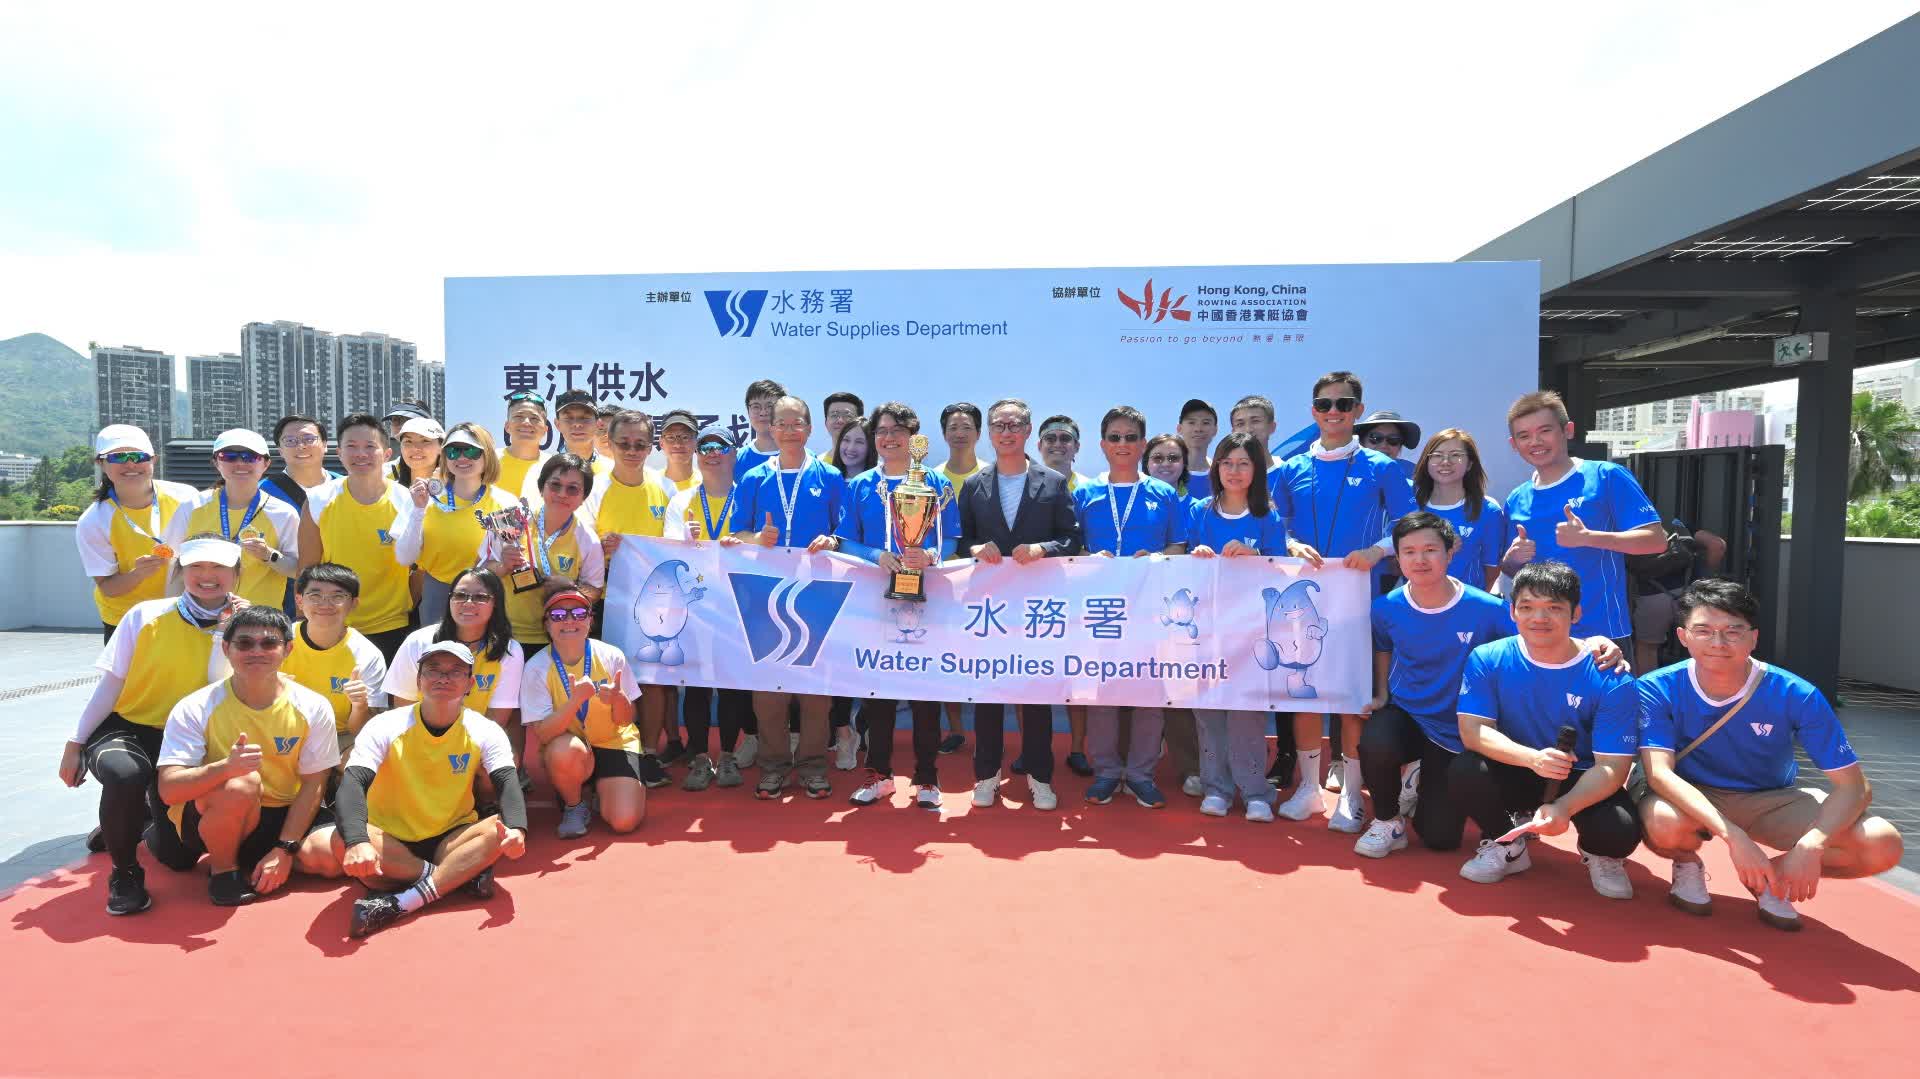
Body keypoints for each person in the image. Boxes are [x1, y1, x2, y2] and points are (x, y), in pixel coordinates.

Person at [1635, 578, 1903, 931]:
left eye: (1733, 631)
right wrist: (1734, 837)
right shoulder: (1656, 688)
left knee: (1881, 843)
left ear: (1754, 638)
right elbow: (1659, 774)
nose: (1718, 643)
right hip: (1694, 794)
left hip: (1770, 799)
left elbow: (1855, 787)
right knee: (1663, 823)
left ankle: (1771, 878)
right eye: (1704, 631)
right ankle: (1687, 864)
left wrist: (1811, 846)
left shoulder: (1796, 693)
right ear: (1683, 636)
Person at [1358, 515, 1631, 860]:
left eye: (1430, 550)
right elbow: (1383, 647)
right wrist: (1382, 694)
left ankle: (1424, 779)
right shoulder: (1385, 608)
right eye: (1409, 552)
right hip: (1411, 715)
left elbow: (1538, 627)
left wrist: (1595, 641)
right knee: (1377, 739)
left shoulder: (1486, 608)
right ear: (1397, 558)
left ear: (1450, 553)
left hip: (1458, 730)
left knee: (1439, 837)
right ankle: (1387, 821)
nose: (1420, 559)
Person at [58, 535, 240, 915]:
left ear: (237, 573)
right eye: (196, 566)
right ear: (181, 571)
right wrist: (75, 744)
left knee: (179, 859)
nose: (207, 575)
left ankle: (137, 821)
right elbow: (111, 685)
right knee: (125, 774)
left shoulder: (246, 623)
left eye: (219, 567)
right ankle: (125, 873)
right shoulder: (144, 615)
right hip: (129, 726)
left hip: (189, 742)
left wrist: (225, 631)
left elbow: (221, 686)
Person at [1270, 371, 1417, 829]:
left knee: (1353, 701)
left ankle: (1352, 796)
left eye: (1343, 403)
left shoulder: (1381, 467)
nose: (1333, 412)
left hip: (1359, 598)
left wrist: (1378, 550)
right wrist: (1291, 544)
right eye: (1324, 404)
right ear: (1313, 411)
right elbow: (1274, 525)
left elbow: (1409, 524)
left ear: (1357, 410)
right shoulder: (1291, 469)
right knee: (1304, 694)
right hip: (1302, 603)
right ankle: (1309, 789)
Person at [1451, 561, 1642, 899]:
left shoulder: (1611, 676)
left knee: (1620, 830)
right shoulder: (1487, 657)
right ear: (1513, 611)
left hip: (1580, 774)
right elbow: (1473, 730)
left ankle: (1600, 855)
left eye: (1553, 608)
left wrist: (1564, 807)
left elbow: (1613, 767)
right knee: (1465, 769)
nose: (1539, 618)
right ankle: (1506, 844)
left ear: (1576, 613)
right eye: (1527, 607)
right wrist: (1533, 759)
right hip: (1519, 764)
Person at [313, 640, 527, 938]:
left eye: (455, 671)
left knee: (500, 829)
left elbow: (507, 782)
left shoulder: (485, 729)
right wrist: (358, 842)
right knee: (342, 839)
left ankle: (402, 903)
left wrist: (517, 830)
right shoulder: (385, 725)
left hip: (451, 837)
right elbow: (352, 784)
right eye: (433, 670)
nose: (443, 678)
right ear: (418, 680)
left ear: (470, 684)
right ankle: (454, 877)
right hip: (389, 840)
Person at [818, 403, 959, 809]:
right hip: (872, 600)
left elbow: (952, 537)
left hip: (927, 600)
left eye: (898, 430)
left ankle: (927, 778)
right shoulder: (861, 484)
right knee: (876, 691)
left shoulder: (936, 482)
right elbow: (846, 539)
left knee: (925, 692)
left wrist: (930, 555)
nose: (889, 437)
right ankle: (878, 775)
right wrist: (875, 555)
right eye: (881, 431)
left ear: (914, 436)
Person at [149, 606, 338, 906]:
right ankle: (224, 870)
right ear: (226, 649)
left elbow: (314, 783)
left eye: (269, 643)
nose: (257, 652)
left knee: (331, 859)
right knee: (242, 783)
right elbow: (169, 790)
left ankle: (258, 857)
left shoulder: (313, 705)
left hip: (281, 812)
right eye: (245, 643)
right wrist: (226, 768)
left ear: (288, 649)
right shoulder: (196, 706)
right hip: (219, 809)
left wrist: (285, 849)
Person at [956, 398, 1082, 812]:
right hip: (989, 609)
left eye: (1014, 425)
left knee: (1036, 695)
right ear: (989, 433)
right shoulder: (974, 485)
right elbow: (961, 540)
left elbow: (1072, 539)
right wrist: (975, 548)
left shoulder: (1053, 482)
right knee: (988, 695)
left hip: (1036, 609)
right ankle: (986, 775)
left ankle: (1040, 777)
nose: (1006, 432)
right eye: (999, 425)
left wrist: (1043, 548)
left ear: (1028, 431)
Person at [725, 395, 847, 799]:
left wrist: (832, 540)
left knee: (815, 692)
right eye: (782, 423)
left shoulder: (830, 476)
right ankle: (774, 765)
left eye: (797, 423)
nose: (790, 430)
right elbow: (737, 533)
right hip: (766, 592)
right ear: (770, 429)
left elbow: (845, 532)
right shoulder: (753, 477)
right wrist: (757, 538)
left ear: (809, 429)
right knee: (768, 691)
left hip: (817, 591)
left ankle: (813, 766)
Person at [1075, 405, 1187, 809]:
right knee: (1103, 691)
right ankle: (1106, 771)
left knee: (1149, 692)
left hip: (1151, 608)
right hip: (1102, 608)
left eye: (1130, 438)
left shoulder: (1164, 493)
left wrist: (1157, 559)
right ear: (1103, 444)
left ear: (1142, 445)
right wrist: (1090, 558)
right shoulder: (1084, 493)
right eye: (1115, 438)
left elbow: (1179, 546)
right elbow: (1072, 551)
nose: (1122, 444)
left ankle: (1141, 774)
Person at [1499, 389, 1667, 655]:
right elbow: (1512, 570)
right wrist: (1511, 560)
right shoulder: (1516, 499)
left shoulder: (1606, 476)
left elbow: (1656, 541)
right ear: (1513, 444)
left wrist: (1589, 537)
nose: (1535, 441)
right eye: (1524, 436)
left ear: (1567, 430)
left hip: (1602, 633)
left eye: (1545, 431)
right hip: (1538, 635)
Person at [1186, 433, 1287, 820]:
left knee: (1247, 713)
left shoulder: (1267, 516)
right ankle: (1216, 788)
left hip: (1252, 633)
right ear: (1216, 468)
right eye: (1227, 463)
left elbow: (1281, 571)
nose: (1234, 471)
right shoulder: (1200, 511)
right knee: (1209, 711)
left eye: (1244, 463)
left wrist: (1255, 555)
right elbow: (1180, 567)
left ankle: (1255, 791)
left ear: (1256, 470)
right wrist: (1196, 556)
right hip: (1206, 631)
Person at [581, 410, 678, 780]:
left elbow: (675, 545)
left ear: (651, 447)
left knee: (652, 680)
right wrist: (600, 547)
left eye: (640, 444)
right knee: (608, 679)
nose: (632, 451)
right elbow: (581, 539)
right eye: (624, 443)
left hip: (655, 603)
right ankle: (608, 752)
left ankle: (648, 754)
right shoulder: (594, 487)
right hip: (607, 599)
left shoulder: (665, 487)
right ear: (609, 443)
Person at [663, 424, 758, 789]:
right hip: (695, 604)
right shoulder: (682, 500)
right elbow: (669, 549)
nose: (713, 452)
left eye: (722, 446)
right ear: (697, 454)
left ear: (735, 453)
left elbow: (763, 548)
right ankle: (700, 757)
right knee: (697, 684)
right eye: (705, 446)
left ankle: (729, 756)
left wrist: (748, 543)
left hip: (738, 604)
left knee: (732, 683)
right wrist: (688, 544)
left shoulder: (748, 496)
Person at [520, 583, 646, 837]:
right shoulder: (536, 667)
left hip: (614, 742)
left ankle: (600, 789)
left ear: (590, 620)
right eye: (558, 615)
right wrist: (574, 702)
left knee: (624, 822)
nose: (569, 620)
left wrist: (619, 700)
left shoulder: (612, 656)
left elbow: (626, 721)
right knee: (562, 750)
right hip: (570, 748)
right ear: (547, 624)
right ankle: (574, 805)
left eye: (578, 613)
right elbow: (543, 733)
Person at [383, 568, 525, 776]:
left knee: (501, 763)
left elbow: (497, 718)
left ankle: (480, 796)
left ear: (496, 603)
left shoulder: (509, 650)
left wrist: (458, 749)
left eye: (480, 597)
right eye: (459, 595)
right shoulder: (419, 641)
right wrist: (435, 747)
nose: (468, 603)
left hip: (475, 737)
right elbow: (403, 706)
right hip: (421, 736)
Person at [297, 413, 414, 664]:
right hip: (332, 622)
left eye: (370, 446)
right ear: (339, 453)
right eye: (351, 446)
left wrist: (404, 604)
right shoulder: (319, 499)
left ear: (387, 454)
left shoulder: (406, 501)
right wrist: (304, 618)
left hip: (391, 625)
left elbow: (421, 568)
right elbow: (307, 568)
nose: (361, 454)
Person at [74, 424, 199, 641]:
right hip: (128, 620)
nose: (130, 464)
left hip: (185, 611)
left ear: (153, 460)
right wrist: (137, 574)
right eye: (118, 457)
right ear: (101, 463)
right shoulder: (94, 520)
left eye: (139, 456)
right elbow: (108, 587)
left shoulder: (186, 497)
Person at [161, 429, 301, 612]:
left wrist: (269, 555)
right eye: (229, 456)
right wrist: (173, 614)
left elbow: (299, 570)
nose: (240, 463)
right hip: (199, 617)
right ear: (216, 462)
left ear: (266, 463)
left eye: (250, 457)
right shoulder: (192, 506)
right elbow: (173, 565)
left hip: (258, 620)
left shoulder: (283, 513)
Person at [392, 422, 518, 625]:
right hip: (437, 593)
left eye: (471, 451)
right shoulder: (424, 497)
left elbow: (507, 560)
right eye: (453, 451)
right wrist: (418, 510)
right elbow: (405, 558)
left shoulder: (506, 503)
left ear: (487, 455)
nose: (462, 457)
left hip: (486, 592)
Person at [484, 452, 606, 655]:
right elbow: (479, 573)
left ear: (583, 497)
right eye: (555, 485)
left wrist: (570, 587)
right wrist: (502, 567)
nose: (562, 494)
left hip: (557, 638)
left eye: (573, 489)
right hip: (503, 633)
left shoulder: (588, 539)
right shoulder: (510, 519)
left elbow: (595, 592)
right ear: (542, 488)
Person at [1033, 412, 1093, 776]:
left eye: (1065, 438)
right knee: (1030, 672)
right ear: (1039, 445)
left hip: (1080, 595)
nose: (1058, 444)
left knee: (1077, 674)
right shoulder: (1025, 483)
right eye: (1051, 438)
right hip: (1035, 593)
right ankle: (1031, 749)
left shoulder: (1089, 488)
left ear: (1076, 447)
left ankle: (1078, 748)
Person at [280, 563, 390, 762]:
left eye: (338, 596)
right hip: (284, 731)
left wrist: (360, 706)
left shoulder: (367, 655)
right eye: (315, 595)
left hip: (340, 738)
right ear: (299, 600)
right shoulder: (277, 642)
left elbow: (364, 730)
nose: (325, 604)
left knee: (364, 761)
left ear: (354, 603)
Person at [1144, 431, 1203, 794]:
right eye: (1158, 458)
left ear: (1184, 464)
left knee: (1179, 687)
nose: (1165, 465)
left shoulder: (1199, 505)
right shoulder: (1134, 498)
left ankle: (1191, 766)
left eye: (1173, 458)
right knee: (1138, 684)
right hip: (1139, 608)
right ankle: (1137, 765)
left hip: (1186, 612)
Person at [933, 401, 987, 755]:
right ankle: (954, 729)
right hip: (941, 581)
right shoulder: (930, 477)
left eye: (966, 426)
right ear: (944, 434)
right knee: (945, 658)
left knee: (985, 658)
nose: (959, 433)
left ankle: (987, 730)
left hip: (985, 582)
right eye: (953, 427)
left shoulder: (991, 474)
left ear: (978, 433)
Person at [1412, 428, 1506, 590]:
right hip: (1417, 601)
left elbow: (1491, 569)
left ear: (1470, 464)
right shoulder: (1410, 506)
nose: (1446, 461)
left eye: (1456, 455)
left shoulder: (1488, 511)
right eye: (1437, 455)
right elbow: (1394, 565)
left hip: (1468, 602)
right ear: (1426, 462)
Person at [1630, 523, 1726, 674]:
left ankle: (1648, 687)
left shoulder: (1631, 530)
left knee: (1647, 648)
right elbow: (1717, 545)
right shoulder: (1677, 525)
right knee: (1703, 643)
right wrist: (1706, 578)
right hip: (1692, 594)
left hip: (1652, 596)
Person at [524, 389, 614, 500]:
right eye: (569, 418)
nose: (577, 424)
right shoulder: (539, 471)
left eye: (584, 418)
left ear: (598, 424)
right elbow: (528, 510)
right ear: (557, 424)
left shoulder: (614, 470)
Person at [260, 414, 339, 512]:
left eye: (309, 439)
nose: (301, 446)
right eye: (290, 440)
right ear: (280, 450)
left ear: (325, 445)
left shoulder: (346, 486)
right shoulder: (261, 492)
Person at [496, 390, 553, 498]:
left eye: (534, 418)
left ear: (545, 430)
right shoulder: (489, 461)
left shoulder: (554, 467)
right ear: (507, 426)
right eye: (519, 417)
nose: (526, 422)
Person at [735, 378, 787, 478]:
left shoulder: (804, 457)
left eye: (770, 406)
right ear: (748, 411)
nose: (763, 412)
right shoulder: (736, 460)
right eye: (756, 407)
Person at [651, 409, 701, 496]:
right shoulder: (650, 484)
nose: (677, 444)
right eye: (670, 437)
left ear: (697, 441)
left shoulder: (708, 484)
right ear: (661, 443)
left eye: (685, 437)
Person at [1176, 398, 1218, 498]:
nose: (1198, 429)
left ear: (1215, 430)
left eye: (1206, 423)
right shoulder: (1166, 471)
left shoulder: (1223, 474)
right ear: (1179, 428)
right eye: (1191, 422)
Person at [391, 416, 444, 491]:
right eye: (408, 441)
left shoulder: (457, 491)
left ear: (441, 448)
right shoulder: (390, 491)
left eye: (425, 441)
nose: (415, 448)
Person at [1228, 394, 1277, 462]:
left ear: (1272, 427)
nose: (1248, 430)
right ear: (1233, 433)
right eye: (1240, 424)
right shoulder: (1220, 468)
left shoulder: (1289, 468)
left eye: (1255, 421)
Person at [822, 391, 865, 457]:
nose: (840, 420)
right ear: (826, 423)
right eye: (834, 415)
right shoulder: (818, 462)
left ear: (860, 423)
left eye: (848, 416)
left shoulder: (873, 462)